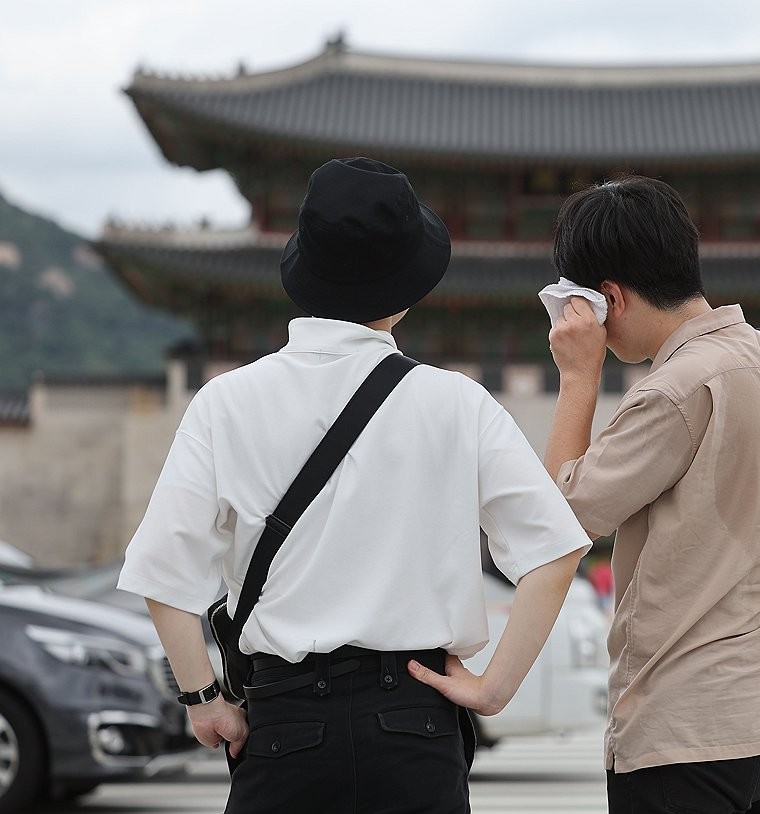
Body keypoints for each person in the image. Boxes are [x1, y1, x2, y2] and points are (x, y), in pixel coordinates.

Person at [118, 157, 590, 814]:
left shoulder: (225, 403)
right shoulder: (458, 403)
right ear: (405, 288)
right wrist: (492, 690)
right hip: (415, 722)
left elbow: (163, 573)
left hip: (283, 728)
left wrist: (204, 701)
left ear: (305, 272)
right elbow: (556, 548)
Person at [539, 176, 760, 813]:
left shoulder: (672, 391)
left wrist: (578, 376)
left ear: (608, 299)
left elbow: (562, 513)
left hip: (684, 733)